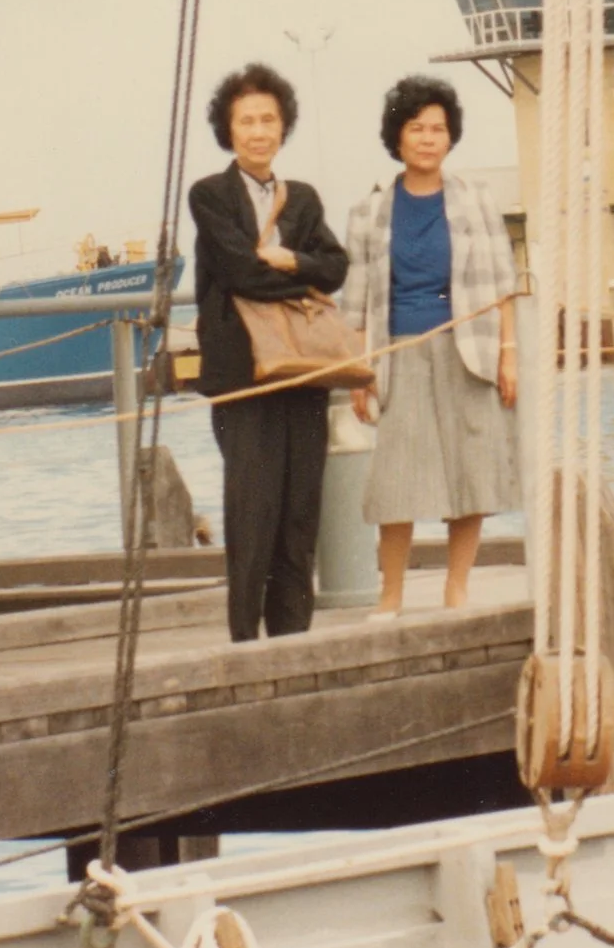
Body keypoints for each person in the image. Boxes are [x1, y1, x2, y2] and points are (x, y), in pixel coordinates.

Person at [341, 75, 520, 616]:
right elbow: (355, 301)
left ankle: (456, 589)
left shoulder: (477, 200)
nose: (427, 138)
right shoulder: (368, 212)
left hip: (469, 349)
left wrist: (509, 353)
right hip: (398, 353)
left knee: (472, 475)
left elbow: (502, 281)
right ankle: (390, 594)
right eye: (416, 128)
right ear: (397, 136)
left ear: (451, 137)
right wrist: (357, 370)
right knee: (397, 480)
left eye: (438, 129)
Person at [188, 63, 350, 643]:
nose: (259, 131)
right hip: (243, 377)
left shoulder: (302, 199)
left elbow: (335, 268)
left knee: (299, 515)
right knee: (251, 514)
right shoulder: (209, 195)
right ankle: (244, 643)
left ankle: (293, 640)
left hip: (304, 374)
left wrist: (296, 264)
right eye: (247, 121)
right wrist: (296, 278)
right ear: (227, 130)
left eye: (269, 120)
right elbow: (236, 272)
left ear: (284, 127)